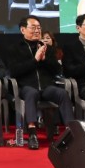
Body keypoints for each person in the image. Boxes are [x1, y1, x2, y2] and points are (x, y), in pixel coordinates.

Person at [6, 15, 74, 150]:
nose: (37, 31)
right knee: (31, 93)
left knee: (62, 93)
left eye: (39, 28)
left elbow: (57, 70)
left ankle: (70, 132)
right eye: (33, 28)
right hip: (26, 87)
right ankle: (32, 133)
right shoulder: (15, 48)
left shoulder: (47, 48)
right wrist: (35, 60)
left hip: (46, 87)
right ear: (23, 30)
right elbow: (14, 71)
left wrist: (45, 60)